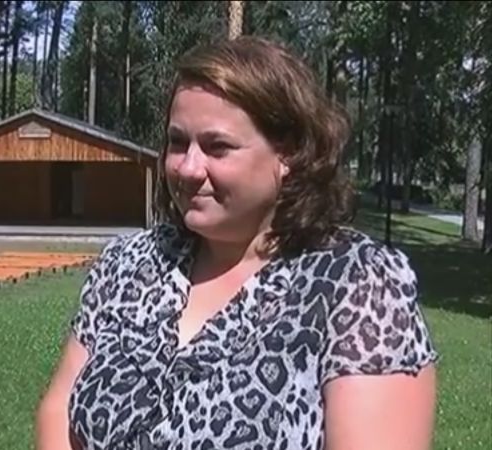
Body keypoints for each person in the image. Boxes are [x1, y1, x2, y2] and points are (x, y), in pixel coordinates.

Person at [35, 36, 439, 450]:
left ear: (290, 153)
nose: (188, 168)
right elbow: (59, 410)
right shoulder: (128, 264)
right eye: (178, 142)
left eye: (218, 147)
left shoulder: (358, 286)